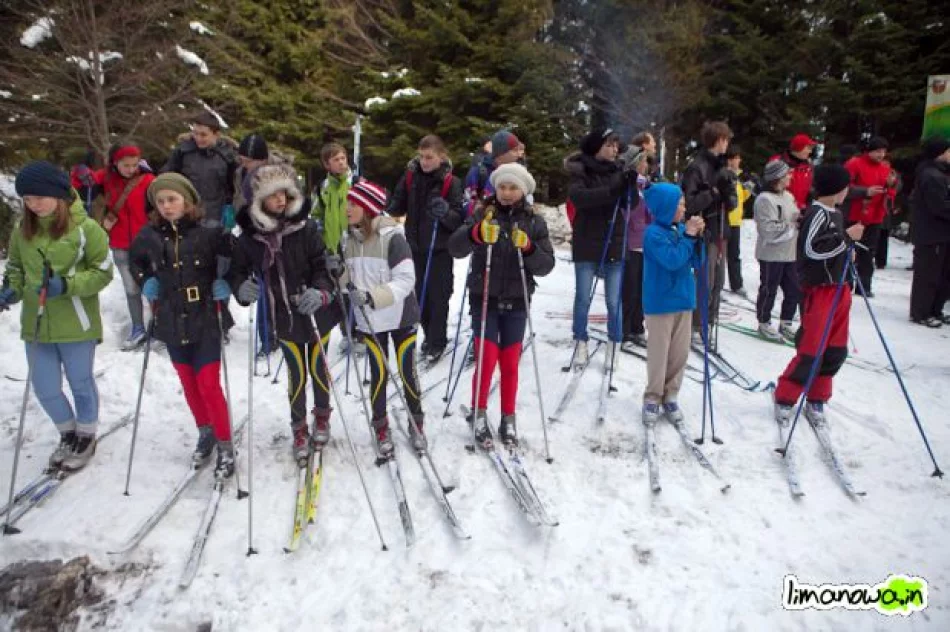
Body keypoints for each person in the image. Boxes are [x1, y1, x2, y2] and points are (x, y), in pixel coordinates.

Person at [0, 161, 113, 471]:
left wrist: (66, 285)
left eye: (39, 197)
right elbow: (15, 267)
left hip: (76, 322)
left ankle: (86, 435)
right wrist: (10, 288)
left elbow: (103, 273)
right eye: (26, 199)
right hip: (35, 324)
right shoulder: (23, 230)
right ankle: (67, 432)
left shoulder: (86, 229)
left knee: (80, 382)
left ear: (58, 194)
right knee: (45, 387)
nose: (33, 205)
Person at [129, 173, 236, 478]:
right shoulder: (149, 235)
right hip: (171, 317)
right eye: (160, 201)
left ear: (187, 201)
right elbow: (135, 262)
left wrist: (226, 282)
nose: (166, 206)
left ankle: (226, 444)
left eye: (172, 199)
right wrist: (145, 280)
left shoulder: (209, 233)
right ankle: (206, 431)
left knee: (208, 383)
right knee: (188, 383)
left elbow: (235, 259)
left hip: (205, 316)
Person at [230, 163, 338, 463]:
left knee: (318, 369)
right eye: (273, 195)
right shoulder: (249, 237)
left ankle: (322, 416)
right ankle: (299, 425)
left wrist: (320, 291)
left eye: (285, 194)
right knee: (296, 373)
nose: (281, 201)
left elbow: (321, 265)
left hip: (316, 313)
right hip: (285, 315)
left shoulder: (306, 228)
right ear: (258, 200)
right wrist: (241, 288)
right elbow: (237, 271)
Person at [449, 163, 555, 448]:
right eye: (502, 187)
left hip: (518, 300)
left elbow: (546, 265)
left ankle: (508, 417)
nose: (507, 193)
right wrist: (476, 234)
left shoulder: (534, 222)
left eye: (513, 187)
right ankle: (479, 412)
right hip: (485, 298)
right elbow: (455, 247)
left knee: (510, 364)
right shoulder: (483, 214)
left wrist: (530, 248)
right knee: (486, 359)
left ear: (524, 190)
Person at [774, 164, 866, 424]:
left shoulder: (835, 213)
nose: (848, 192)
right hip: (820, 291)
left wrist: (848, 250)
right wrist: (846, 239)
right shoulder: (817, 213)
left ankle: (817, 396)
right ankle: (786, 395)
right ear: (838, 190)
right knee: (812, 347)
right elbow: (812, 250)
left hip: (840, 288)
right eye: (846, 187)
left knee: (835, 349)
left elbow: (833, 247)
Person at [340, 179, 426, 455]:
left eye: (352, 203)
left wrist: (372, 297)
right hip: (370, 322)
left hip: (400, 317)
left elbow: (406, 280)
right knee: (378, 375)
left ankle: (416, 423)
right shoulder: (348, 239)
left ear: (367, 207)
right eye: (346, 202)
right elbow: (347, 284)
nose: (346, 208)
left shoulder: (393, 238)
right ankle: (380, 425)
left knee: (407, 372)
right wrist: (337, 272)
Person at [386, 135, 464, 362]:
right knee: (418, 296)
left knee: (438, 296)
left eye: (429, 157)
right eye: (421, 157)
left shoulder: (451, 182)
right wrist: (385, 201)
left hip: (439, 249)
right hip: (414, 247)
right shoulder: (411, 177)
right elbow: (397, 206)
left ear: (441, 156)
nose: (424, 162)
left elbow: (458, 219)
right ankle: (429, 335)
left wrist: (445, 211)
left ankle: (437, 341)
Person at [565, 128, 638, 366]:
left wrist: (630, 185)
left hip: (614, 239)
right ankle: (580, 340)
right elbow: (580, 198)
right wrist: (612, 191)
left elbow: (631, 203)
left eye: (616, 145)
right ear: (596, 147)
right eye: (609, 145)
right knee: (583, 298)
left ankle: (614, 344)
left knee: (614, 300)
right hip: (587, 240)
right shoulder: (580, 170)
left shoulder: (619, 170)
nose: (615, 149)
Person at [640, 183, 704, 425]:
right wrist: (688, 237)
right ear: (666, 207)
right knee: (659, 353)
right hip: (660, 303)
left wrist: (697, 240)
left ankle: (671, 394)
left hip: (683, 300)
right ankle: (653, 396)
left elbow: (695, 262)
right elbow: (672, 260)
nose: (684, 208)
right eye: (680, 204)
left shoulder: (679, 230)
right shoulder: (653, 234)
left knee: (680, 352)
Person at [680, 121, 734, 346]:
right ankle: (695, 324)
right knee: (705, 280)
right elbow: (689, 203)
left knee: (718, 281)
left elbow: (731, 201)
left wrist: (728, 194)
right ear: (719, 140)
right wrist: (712, 192)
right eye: (726, 139)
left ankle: (708, 321)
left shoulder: (723, 167)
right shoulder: (697, 167)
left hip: (721, 229)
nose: (727, 144)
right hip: (705, 229)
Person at [97, 143, 155, 350]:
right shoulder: (107, 179)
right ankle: (138, 327)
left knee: (152, 285)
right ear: (116, 164)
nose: (131, 169)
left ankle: (158, 328)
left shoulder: (148, 180)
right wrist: (80, 173)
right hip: (120, 243)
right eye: (126, 165)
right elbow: (81, 184)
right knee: (131, 288)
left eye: (134, 164)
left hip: (146, 243)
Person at [161, 111, 238, 230]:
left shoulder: (227, 156)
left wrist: (230, 210)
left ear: (216, 134)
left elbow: (234, 188)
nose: (198, 138)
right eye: (195, 133)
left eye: (203, 135)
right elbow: (168, 177)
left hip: (216, 215)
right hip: (187, 213)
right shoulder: (183, 152)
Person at [753, 160, 801, 342]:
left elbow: (794, 216)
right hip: (771, 254)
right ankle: (764, 322)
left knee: (794, 289)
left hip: (789, 253)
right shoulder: (764, 199)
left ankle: (786, 322)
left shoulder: (788, 196)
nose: (791, 177)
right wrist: (793, 225)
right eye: (788, 174)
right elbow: (768, 230)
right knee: (769, 289)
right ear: (778, 177)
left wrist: (802, 218)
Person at [844, 136, 895, 297]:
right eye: (878, 151)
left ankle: (864, 285)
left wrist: (890, 187)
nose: (881, 155)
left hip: (875, 216)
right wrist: (865, 191)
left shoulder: (885, 168)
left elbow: (891, 189)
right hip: (854, 213)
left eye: (884, 152)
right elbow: (845, 187)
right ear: (869, 151)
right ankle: (845, 283)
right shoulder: (855, 164)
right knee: (849, 249)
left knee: (868, 252)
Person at [909, 137, 950, 327]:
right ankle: (921, 312)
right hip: (931, 233)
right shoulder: (931, 175)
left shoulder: (940, 173)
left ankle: (935, 309)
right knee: (928, 274)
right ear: (940, 153)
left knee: (942, 274)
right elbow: (939, 206)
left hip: (941, 233)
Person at [621, 145, 652, 350]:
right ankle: (624, 329)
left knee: (641, 288)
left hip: (644, 243)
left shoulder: (645, 186)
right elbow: (626, 213)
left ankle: (637, 326)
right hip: (631, 243)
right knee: (630, 288)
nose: (646, 165)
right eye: (643, 161)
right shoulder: (629, 185)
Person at [463, 129, 522, 216]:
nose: (518, 154)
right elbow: (466, 203)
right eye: (514, 150)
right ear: (501, 153)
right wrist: (479, 210)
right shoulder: (477, 171)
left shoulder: (519, 173)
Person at [311, 142, 355, 255]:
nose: (341, 162)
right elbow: (316, 217)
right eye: (336, 160)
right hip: (330, 250)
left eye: (343, 158)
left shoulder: (356, 184)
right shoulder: (322, 188)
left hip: (354, 249)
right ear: (327, 165)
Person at [724, 146, 751, 298]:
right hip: (725, 219)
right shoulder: (725, 175)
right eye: (737, 158)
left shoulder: (740, 176)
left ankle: (737, 284)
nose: (739, 161)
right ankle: (716, 285)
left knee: (734, 254)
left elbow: (741, 197)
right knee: (720, 254)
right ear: (730, 160)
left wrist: (748, 189)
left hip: (736, 220)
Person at [772, 133, 817, 210]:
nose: (810, 151)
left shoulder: (808, 166)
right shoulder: (778, 162)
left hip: (800, 211)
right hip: (780, 210)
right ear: (799, 148)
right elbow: (772, 187)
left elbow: (809, 188)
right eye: (808, 148)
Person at [875, 165, 902, 269]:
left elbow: (897, 188)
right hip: (877, 210)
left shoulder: (893, 175)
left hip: (885, 212)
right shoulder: (876, 172)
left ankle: (881, 261)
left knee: (882, 236)